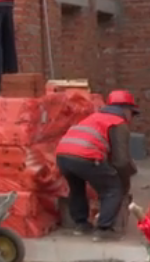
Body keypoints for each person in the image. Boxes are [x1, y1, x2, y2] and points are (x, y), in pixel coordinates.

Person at [55, 90, 139, 242]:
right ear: (126, 110)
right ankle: (103, 229)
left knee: (77, 188)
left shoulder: (94, 117)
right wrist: (125, 181)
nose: (131, 118)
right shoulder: (118, 123)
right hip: (85, 156)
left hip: (63, 155)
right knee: (113, 188)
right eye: (132, 114)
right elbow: (121, 161)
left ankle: (81, 225)